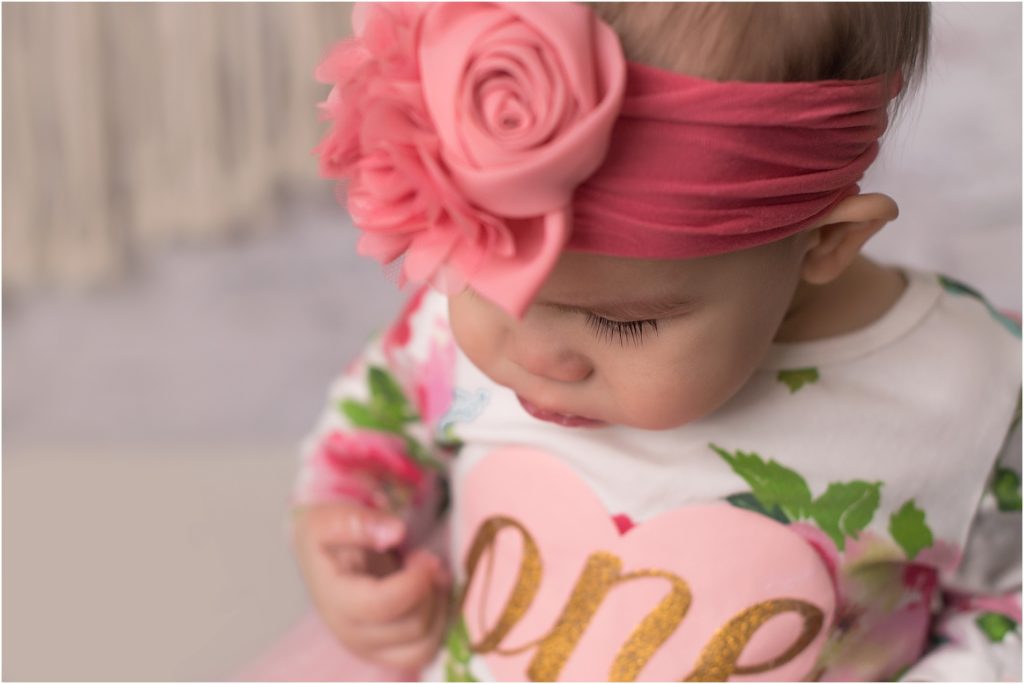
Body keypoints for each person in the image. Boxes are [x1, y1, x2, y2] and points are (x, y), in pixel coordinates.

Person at [284, 3, 1021, 681]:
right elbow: (379, 422)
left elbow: (1010, 611)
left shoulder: (973, 391)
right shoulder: (450, 339)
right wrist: (346, 532)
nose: (534, 356)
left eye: (620, 322)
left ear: (824, 243)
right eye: (483, 280)